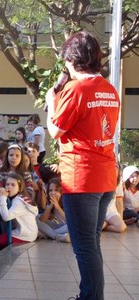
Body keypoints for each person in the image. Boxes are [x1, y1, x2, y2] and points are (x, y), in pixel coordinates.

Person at [45, 31, 120, 300]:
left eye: (66, 60)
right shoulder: (110, 90)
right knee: (92, 244)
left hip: (81, 177)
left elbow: (55, 130)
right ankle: (87, 295)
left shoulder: (76, 90)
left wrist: (51, 102)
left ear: (73, 60)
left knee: (84, 246)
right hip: (105, 176)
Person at [0, 172, 38, 256]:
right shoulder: (22, 197)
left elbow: (6, 217)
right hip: (28, 233)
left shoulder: (19, 200)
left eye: (13, 185)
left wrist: (3, 197)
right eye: (7, 184)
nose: (9, 187)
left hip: (24, 235)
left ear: (20, 187)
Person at [36, 178, 70, 242]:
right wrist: (50, 207)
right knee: (37, 217)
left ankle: (48, 234)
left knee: (71, 227)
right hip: (58, 227)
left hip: (67, 227)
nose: (53, 193)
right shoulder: (50, 200)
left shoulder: (67, 201)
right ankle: (58, 236)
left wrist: (57, 207)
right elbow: (42, 221)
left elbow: (70, 222)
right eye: (50, 190)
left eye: (56, 190)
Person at [103, 165, 126, 232]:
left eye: (116, 168)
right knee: (93, 227)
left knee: (121, 227)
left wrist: (121, 218)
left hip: (111, 211)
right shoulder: (100, 180)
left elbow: (119, 202)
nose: (115, 169)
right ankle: (103, 225)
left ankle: (104, 225)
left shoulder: (118, 184)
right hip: (98, 211)